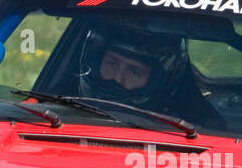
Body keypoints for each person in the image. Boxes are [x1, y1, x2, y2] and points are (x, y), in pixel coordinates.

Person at [76, 23, 225, 131]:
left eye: (134, 72)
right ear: (96, 62)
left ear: (157, 81)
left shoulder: (187, 132)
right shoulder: (60, 105)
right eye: (112, 63)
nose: (118, 78)